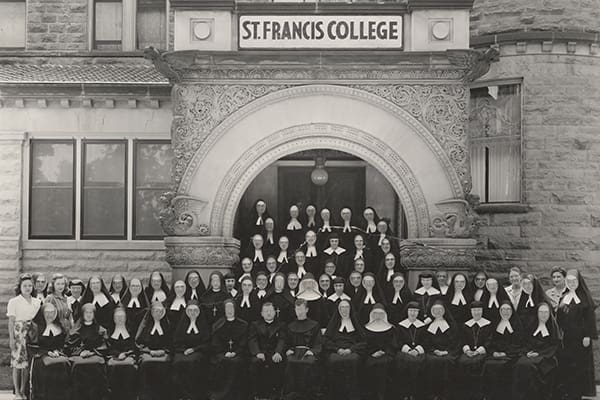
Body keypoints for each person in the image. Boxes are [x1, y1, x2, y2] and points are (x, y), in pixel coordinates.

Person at [556, 269, 597, 400]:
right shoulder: (564, 297)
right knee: (568, 364)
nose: (571, 283)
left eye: (574, 281)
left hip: (580, 339)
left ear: (578, 282)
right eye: (569, 281)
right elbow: (560, 318)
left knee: (579, 366)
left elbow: (590, 318)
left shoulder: (585, 298)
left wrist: (587, 335)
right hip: (567, 338)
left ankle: (578, 392)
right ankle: (568, 391)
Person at [512, 302, 560, 400]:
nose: (543, 314)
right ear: (537, 313)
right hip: (530, 354)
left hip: (546, 357)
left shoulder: (552, 327)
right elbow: (525, 342)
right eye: (541, 312)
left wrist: (540, 354)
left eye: (546, 312)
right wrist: (527, 352)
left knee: (531, 367)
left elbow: (554, 346)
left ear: (549, 313)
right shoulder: (531, 326)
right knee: (520, 365)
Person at [323, 299, 365, 400]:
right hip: (336, 351)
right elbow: (326, 340)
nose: (344, 310)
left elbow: (363, 341)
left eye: (347, 307)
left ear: (350, 309)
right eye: (342, 307)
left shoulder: (356, 322)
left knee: (354, 360)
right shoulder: (334, 322)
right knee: (333, 360)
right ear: (338, 309)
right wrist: (337, 349)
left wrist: (351, 350)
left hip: (352, 351)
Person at [28, 302, 70, 400]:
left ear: (55, 313)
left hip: (57, 355)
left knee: (63, 364)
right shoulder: (35, 327)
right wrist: (46, 353)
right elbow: (32, 345)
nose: (49, 314)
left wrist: (57, 351)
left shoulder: (60, 326)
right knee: (46, 367)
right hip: (40, 356)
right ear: (42, 313)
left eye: (52, 312)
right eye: (47, 312)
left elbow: (64, 344)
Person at [67, 303, 108, 400]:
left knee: (97, 363)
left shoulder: (101, 330)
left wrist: (92, 352)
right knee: (77, 365)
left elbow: (104, 346)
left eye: (91, 313)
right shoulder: (76, 330)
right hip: (79, 356)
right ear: (82, 314)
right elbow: (69, 346)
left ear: (94, 315)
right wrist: (80, 352)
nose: (89, 315)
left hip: (95, 355)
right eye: (86, 312)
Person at [483, 301, 524, 400]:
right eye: (503, 309)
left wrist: (506, 353)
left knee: (504, 366)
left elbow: (519, 343)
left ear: (512, 311)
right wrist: (494, 352)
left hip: (511, 355)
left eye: (508, 309)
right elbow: (490, 341)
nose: (506, 312)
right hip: (495, 354)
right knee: (488, 365)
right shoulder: (495, 324)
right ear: (499, 311)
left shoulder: (517, 324)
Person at [283, 298, 323, 400]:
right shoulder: (290, 326)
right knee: (290, 362)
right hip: (294, 352)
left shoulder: (314, 325)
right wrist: (288, 349)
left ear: (306, 310)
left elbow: (318, 342)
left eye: (301, 309)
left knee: (309, 363)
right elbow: (286, 342)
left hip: (308, 352)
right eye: (297, 309)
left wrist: (312, 351)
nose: (299, 312)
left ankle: (308, 395)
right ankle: (293, 395)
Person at [172, 300, 211, 400]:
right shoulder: (182, 323)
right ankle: (181, 394)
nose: (192, 313)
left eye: (195, 310)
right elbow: (176, 341)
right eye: (190, 310)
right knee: (178, 362)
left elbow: (206, 342)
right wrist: (183, 350)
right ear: (186, 312)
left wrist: (194, 349)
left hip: (198, 352)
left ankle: (194, 395)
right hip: (182, 351)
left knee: (193, 362)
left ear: (199, 312)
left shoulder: (203, 323)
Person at [210, 299, 248, 400]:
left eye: (231, 308)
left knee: (236, 362)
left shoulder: (243, 324)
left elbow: (243, 343)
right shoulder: (217, 325)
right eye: (227, 308)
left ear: (235, 309)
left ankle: (236, 395)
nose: (229, 310)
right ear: (224, 309)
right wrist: (224, 352)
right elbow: (215, 343)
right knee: (222, 361)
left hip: (238, 354)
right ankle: (222, 394)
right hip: (221, 353)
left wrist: (235, 352)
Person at [248, 302, 287, 399]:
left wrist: (278, 352)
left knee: (278, 363)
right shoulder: (255, 325)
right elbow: (252, 340)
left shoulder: (281, 325)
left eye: (270, 311)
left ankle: (275, 394)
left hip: (274, 353)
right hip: (260, 353)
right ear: (262, 313)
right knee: (255, 364)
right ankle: (258, 394)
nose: (268, 313)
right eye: (266, 311)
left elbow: (282, 339)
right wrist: (257, 353)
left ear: (275, 312)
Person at [135, 301, 172, 400]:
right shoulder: (145, 326)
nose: (158, 313)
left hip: (163, 353)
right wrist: (148, 351)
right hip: (147, 353)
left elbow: (171, 342)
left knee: (165, 363)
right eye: (155, 311)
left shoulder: (167, 325)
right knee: (146, 363)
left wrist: (164, 351)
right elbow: (139, 342)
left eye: (160, 311)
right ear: (151, 312)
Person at [456, 301, 493, 400]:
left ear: (482, 311)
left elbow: (490, 341)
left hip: (481, 352)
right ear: (471, 312)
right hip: (468, 352)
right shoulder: (466, 325)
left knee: (478, 362)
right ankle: (466, 394)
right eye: (474, 310)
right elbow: (462, 340)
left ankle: (480, 394)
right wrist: (467, 350)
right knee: (462, 362)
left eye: (479, 310)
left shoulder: (488, 324)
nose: (477, 313)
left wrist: (478, 351)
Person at [423, 300, 459, 400]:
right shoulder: (428, 325)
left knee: (447, 362)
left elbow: (455, 341)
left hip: (449, 352)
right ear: (432, 311)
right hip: (432, 352)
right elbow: (426, 342)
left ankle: (446, 394)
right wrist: (434, 351)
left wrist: (447, 351)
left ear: (444, 311)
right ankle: (433, 394)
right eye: (435, 310)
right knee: (431, 361)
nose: (438, 312)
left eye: (440, 310)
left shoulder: (451, 324)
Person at [395, 301, 427, 400]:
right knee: (405, 364)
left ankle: (415, 394)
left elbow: (426, 341)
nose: (413, 313)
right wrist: (408, 350)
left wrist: (417, 350)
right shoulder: (400, 326)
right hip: (404, 352)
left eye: (415, 311)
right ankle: (405, 393)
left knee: (418, 364)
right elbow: (398, 341)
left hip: (418, 353)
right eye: (411, 311)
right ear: (407, 312)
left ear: (418, 313)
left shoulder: (422, 326)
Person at [363, 304, 395, 400]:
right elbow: (364, 344)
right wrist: (372, 353)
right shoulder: (365, 328)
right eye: (375, 314)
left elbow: (393, 345)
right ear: (372, 315)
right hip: (370, 355)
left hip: (387, 355)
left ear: (384, 315)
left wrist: (385, 352)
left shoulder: (391, 328)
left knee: (384, 364)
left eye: (380, 314)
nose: (378, 316)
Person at [106, 307, 137, 400]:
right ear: (114, 319)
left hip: (128, 355)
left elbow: (134, 346)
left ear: (126, 318)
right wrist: (117, 354)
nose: (120, 319)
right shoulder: (109, 330)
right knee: (112, 366)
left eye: (122, 317)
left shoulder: (131, 330)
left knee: (129, 365)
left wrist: (126, 353)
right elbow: (107, 346)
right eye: (117, 317)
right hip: (113, 356)